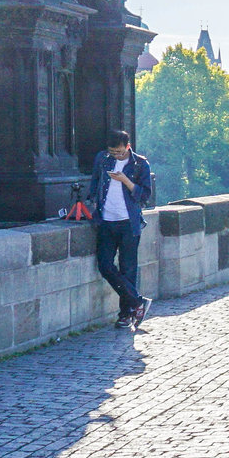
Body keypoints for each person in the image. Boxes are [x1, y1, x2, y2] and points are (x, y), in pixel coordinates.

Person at [88, 128, 154, 330]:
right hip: (106, 221)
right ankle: (138, 302)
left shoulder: (140, 164)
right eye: (112, 152)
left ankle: (126, 315)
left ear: (128, 146)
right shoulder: (102, 159)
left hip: (128, 223)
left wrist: (125, 180)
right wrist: (93, 203)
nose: (116, 155)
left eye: (119, 151)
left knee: (128, 270)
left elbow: (145, 195)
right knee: (105, 265)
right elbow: (95, 182)